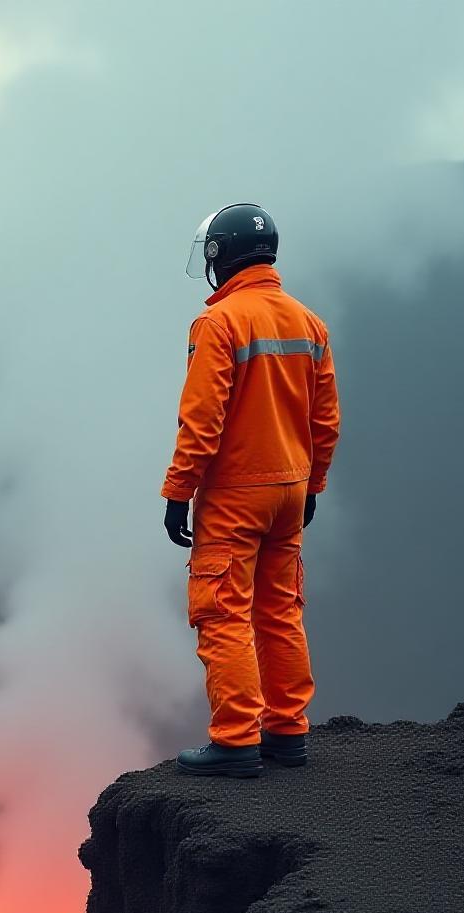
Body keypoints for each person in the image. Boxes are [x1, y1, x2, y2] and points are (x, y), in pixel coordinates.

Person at [161, 203, 341, 778]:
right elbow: (326, 420)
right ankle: (287, 732)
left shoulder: (218, 324)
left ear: (222, 256)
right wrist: (312, 483)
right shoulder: (308, 323)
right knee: (281, 609)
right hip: (291, 489)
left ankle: (236, 741)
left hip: (237, 493)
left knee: (223, 612)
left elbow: (203, 420)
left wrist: (177, 491)